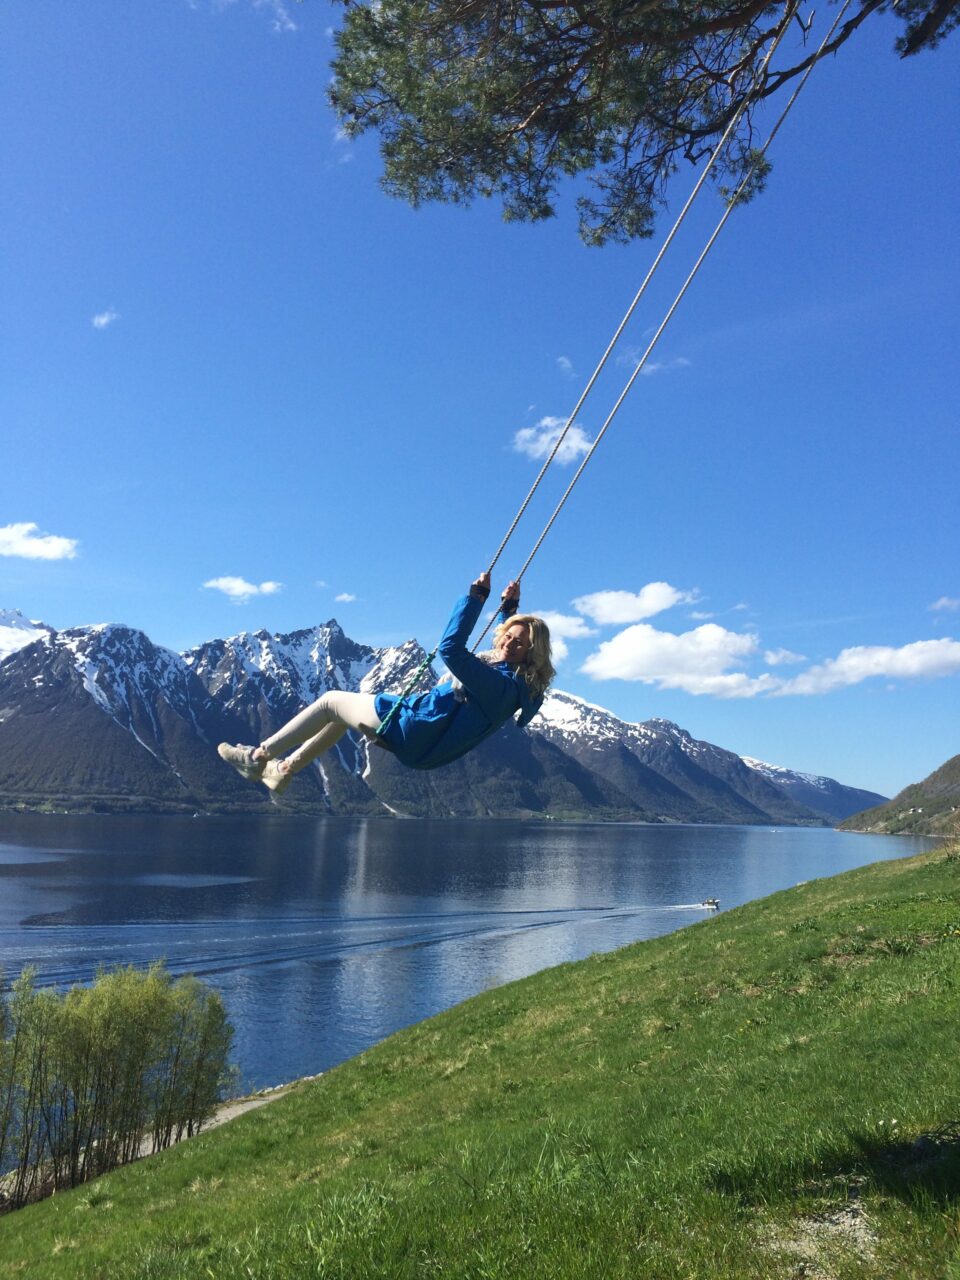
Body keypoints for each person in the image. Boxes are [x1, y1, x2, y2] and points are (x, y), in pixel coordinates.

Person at [217, 572, 554, 795]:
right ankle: (284, 770)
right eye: (508, 636)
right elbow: (501, 651)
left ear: (531, 652)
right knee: (340, 714)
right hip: (426, 742)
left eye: (519, 642)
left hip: (417, 728)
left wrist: (476, 598)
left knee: (331, 700)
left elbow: (451, 649)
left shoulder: (500, 688)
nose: (508, 643)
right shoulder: (517, 687)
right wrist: (509, 609)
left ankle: (257, 757)